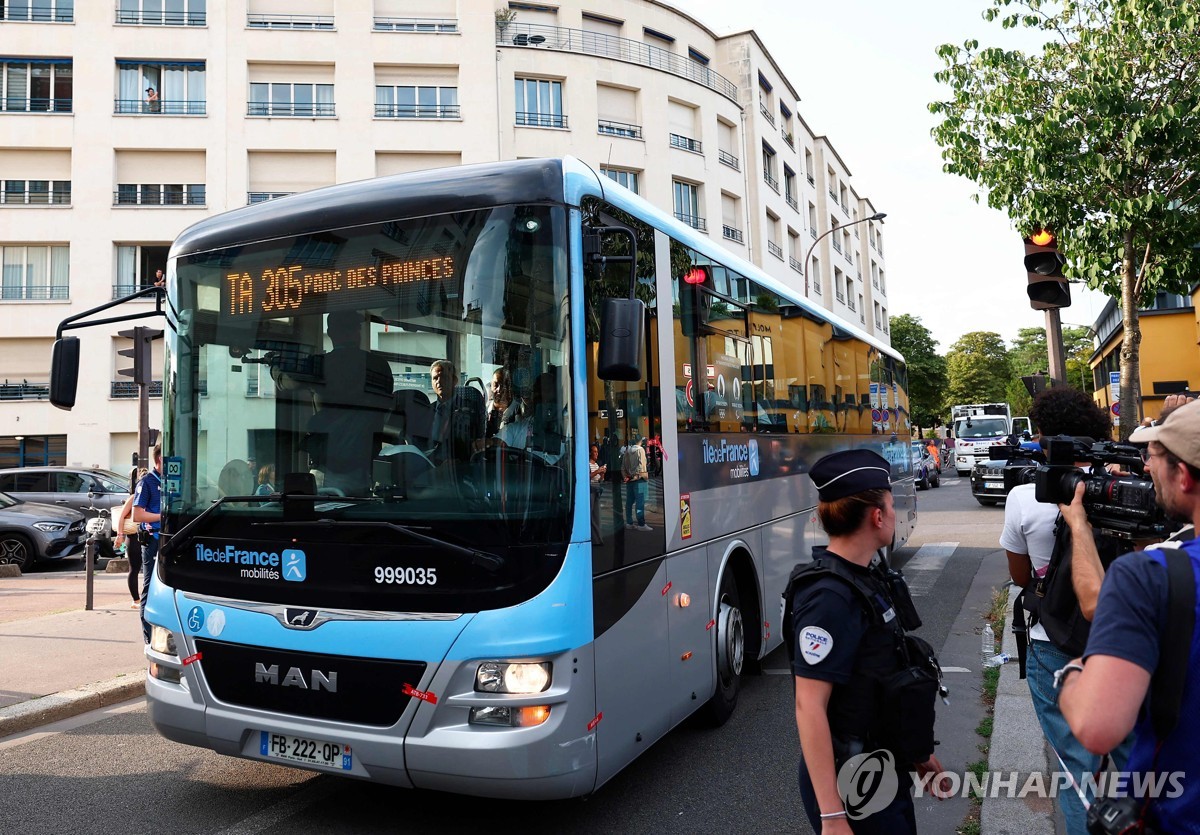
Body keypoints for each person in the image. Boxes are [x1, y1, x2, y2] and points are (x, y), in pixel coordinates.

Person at [1059, 398, 1200, 832]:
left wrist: (1073, 675)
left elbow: (1097, 728)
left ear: (1186, 476)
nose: (1146, 470)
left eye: (1154, 458)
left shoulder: (1149, 577)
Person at [790, 449, 949, 832]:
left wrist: (916, 753)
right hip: (855, 780)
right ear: (877, 516)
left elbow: (882, 677)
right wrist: (832, 816)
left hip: (881, 764)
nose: (894, 514)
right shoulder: (829, 598)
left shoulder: (867, 578)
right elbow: (809, 706)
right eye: (892, 505)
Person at [998, 385, 1126, 834]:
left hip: (1052, 645)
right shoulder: (1121, 487)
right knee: (1140, 768)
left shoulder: (1023, 498)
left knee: (1078, 773)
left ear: (1043, 435)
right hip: (1123, 645)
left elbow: (1019, 577)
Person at [303, 310, 394, 491]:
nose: (355, 333)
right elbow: (385, 407)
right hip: (365, 457)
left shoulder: (318, 364)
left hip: (326, 459)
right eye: (354, 329)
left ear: (330, 333)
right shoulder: (378, 365)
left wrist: (276, 369)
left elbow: (289, 380)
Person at [428, 359, 485, 465]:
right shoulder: (427, 410)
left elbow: (476, 441)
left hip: (459, 467)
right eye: (435, 378)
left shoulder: (469, 409)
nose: (439, 381)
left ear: (454, 380)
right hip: (430, 465)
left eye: (444, 377)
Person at [132, 444, 162, 644]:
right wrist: (163, 517)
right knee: (149, 587)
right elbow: (137, 514)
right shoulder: (147, 482)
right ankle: (148, 639)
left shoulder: (171, 481)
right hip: (152, 539)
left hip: (168, 539)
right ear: (159, 460)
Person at [113, 467, 148, 610]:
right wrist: (120, 536)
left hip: (147, 536)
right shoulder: (133, 497)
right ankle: (136, 599)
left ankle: (144, 598)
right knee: (134, 568)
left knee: (147, 569)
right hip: (133, 536)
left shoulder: (152, 496)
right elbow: (121, 517)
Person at [485, 367, 524, 439]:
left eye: (504, 386)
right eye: (496, 384)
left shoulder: (519, 410)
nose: (499, 390)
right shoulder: (484, 410)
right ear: (491, 385)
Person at [621, 435, 650, 530]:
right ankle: (641, 523)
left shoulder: (627, 452)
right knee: (640, 502)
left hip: (629, 479)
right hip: (639, 479)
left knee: (629, 501)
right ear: (640, 441)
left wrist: (626, 476)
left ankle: (629, 522)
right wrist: (638, 475)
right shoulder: (640, 450)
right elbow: (641, 465)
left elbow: (623, 467)